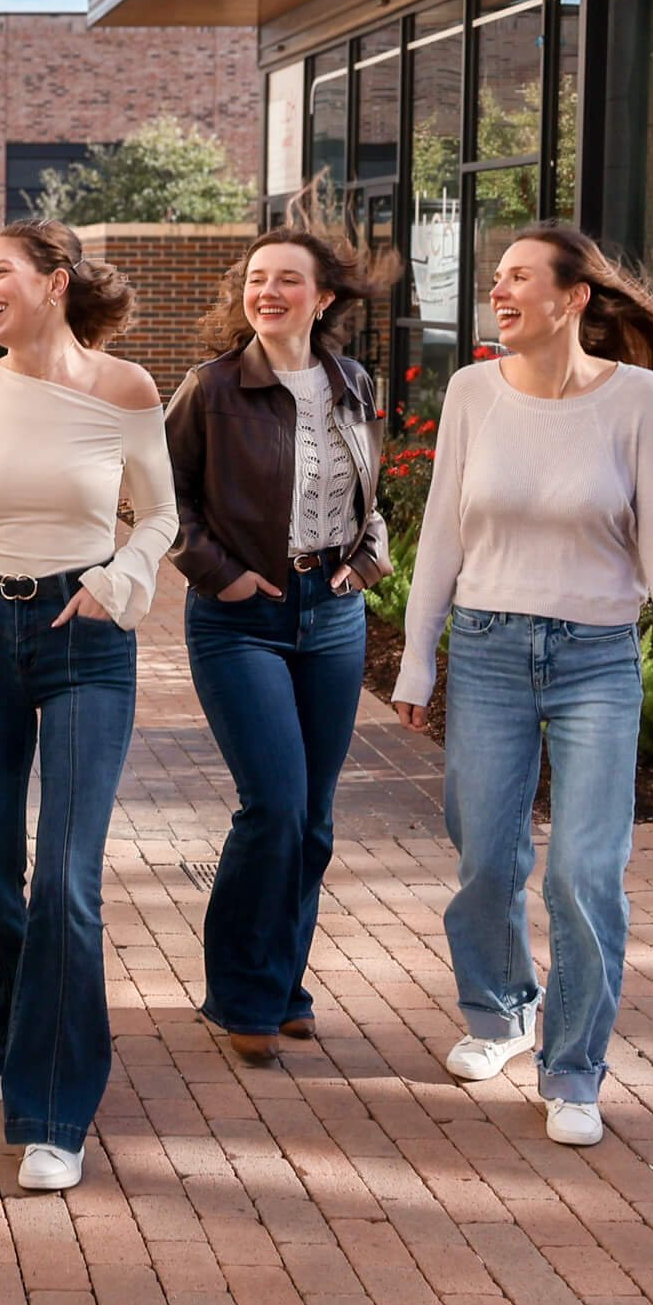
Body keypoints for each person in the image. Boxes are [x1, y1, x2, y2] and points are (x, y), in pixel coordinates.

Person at [393, 223, 653, 1147]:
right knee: (485, 856)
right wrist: (417, 652)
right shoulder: (474, 390)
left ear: (573, 299)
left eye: (519, 277)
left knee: (583, 871)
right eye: (495, 278)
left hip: (596, 655)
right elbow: (441, 527)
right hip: (485, 649)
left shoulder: (635, 399)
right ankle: (498, 1013)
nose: (498, 291)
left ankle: (571, 1071)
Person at [0, 220, 176, 1193]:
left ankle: (54, 1109)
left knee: (66, 875)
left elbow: (159, 514)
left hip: (84, 638)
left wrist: (123, 574)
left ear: (53, 283)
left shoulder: (123, 388)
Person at [165, 223, 391, 1067]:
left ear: (322, 297)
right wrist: (217, 573)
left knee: (317, 820)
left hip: (329, 616)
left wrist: (366, 561)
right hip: (238, 619)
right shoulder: (210, 387)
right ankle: (241, 996)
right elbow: (156, 499)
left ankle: (281, 984)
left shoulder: (352, 383)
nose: (266, 293)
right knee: (274, 807)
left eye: (286, 281)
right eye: (256, 279)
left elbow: (370, 493)